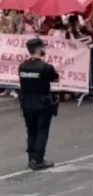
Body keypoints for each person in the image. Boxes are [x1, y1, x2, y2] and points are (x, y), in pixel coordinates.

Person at [18, 37, 59, 170]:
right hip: (42, 103)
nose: (44, 49)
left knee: (31, 131)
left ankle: (31, 158)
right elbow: (55, 78)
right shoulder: (45, 67)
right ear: (38, 49)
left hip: (27, 103)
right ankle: (38, 159)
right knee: (42, 131)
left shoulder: (22, 66)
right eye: (43, 47)